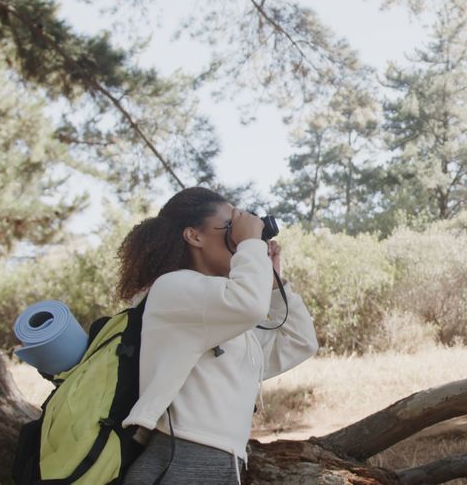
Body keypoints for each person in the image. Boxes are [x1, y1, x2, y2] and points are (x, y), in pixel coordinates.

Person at [115, 187, 318, 483]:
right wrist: (250, 244)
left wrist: (273, 280)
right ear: (194, 236)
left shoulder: (220, 313)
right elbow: (250, 305)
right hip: (182, 457)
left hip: (220, 462)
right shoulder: (172, 288)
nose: (237, 238)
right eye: (229, 229)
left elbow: (300, 342)